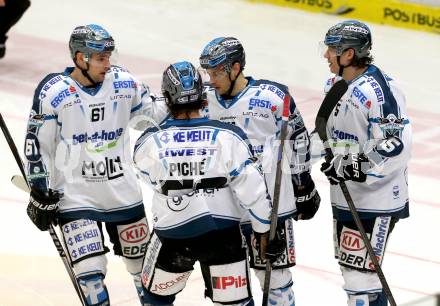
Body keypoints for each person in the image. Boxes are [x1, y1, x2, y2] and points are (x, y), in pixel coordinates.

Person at [23, 24, 167, 305]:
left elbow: (153, 113)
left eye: (108, 57)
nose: (107, 64)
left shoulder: (124, 83)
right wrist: (40, 188)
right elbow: (37, 146)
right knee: (90, 276)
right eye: (100, 58)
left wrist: (191, 101)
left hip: (123, 195)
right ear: (80, 58)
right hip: (76, 198)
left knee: (145, 275)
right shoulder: (53, 92)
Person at [133, 61, 281, 306]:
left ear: (167, 99)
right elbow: (253, 191)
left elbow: (149, 179)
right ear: (203, 95)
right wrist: (265, 231)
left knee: (154, 299)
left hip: (174, 234)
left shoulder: (148, 141)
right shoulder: (229, 136)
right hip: (223, 236)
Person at [199, 37, 320, 305]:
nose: (212, 78)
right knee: (229, 287)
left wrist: (303, 185)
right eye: (209, 72)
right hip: (222, 208)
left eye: (217, 72)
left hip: (270, 206)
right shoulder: (203, 100)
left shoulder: (273, 97)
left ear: (236, 67)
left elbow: (298, 139)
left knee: (274, 280)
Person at [319, 20, 412, 306]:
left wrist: (354, 165)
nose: (325, 55)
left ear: (349, 54)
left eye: (331, 49)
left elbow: (394, 146)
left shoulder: (381, 91)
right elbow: (327, 134)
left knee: (359, 280)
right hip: (346, 196)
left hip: (377, 199)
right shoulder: (335, 84)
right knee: (359, 275)